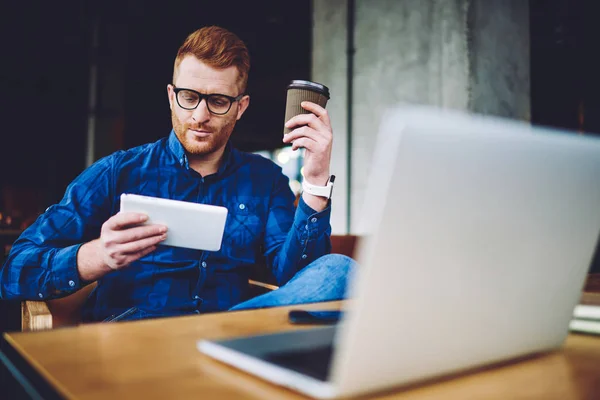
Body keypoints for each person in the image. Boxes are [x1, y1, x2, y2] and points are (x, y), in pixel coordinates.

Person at [0, 26, 355, 322]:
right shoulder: (117, 172)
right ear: (171, 97)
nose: (200, 115)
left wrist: (316, 181)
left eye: (218, 101)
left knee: (341, 269)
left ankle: (220, 339)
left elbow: (300, 279)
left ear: (240, 107)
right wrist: (97, 256)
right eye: (189, 96)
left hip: (225, 340)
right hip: (135, 345)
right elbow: (15, 269)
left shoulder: (265, 180)